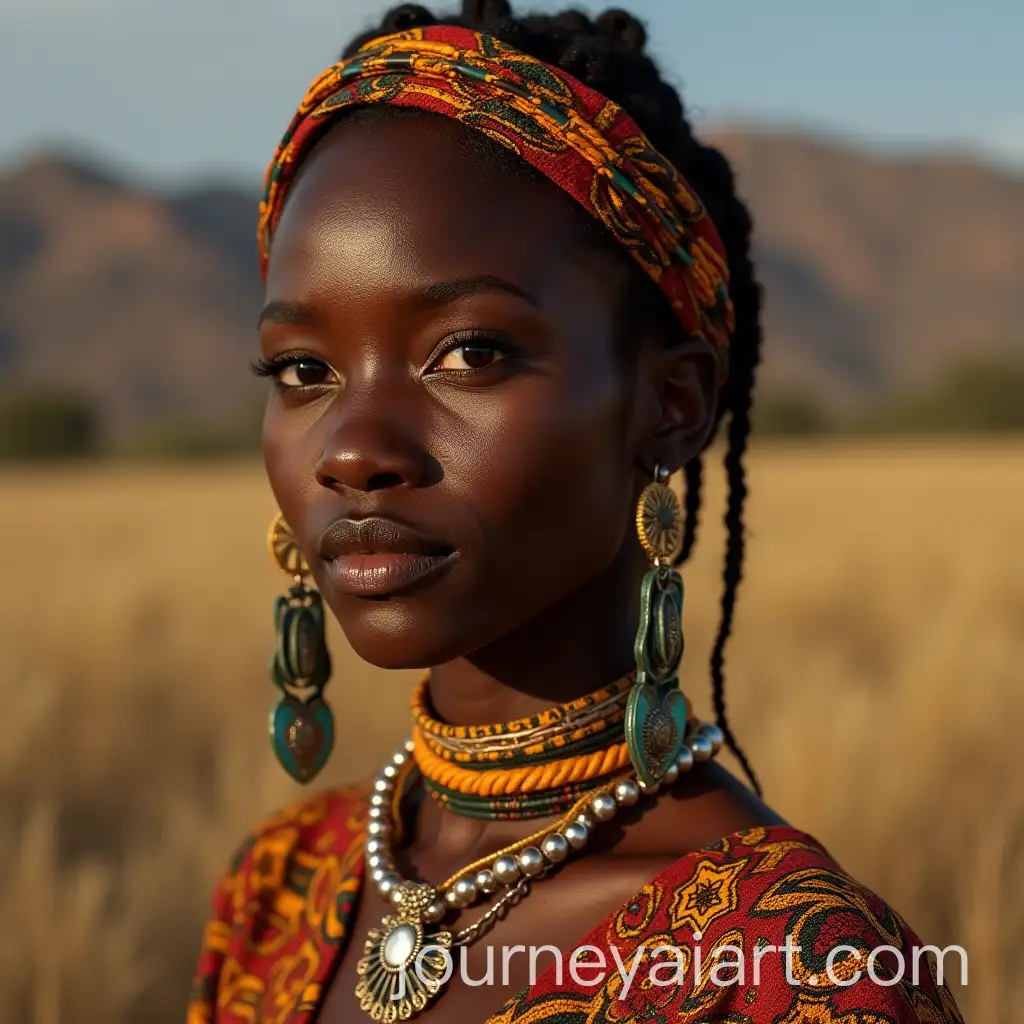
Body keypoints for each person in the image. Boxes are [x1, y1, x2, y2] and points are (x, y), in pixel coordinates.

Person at [186, 3, 964, 1022]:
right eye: (302, 368)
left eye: (469, 352)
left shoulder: (790, 972)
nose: (353, 450)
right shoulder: (275, 889)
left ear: (669, 406)